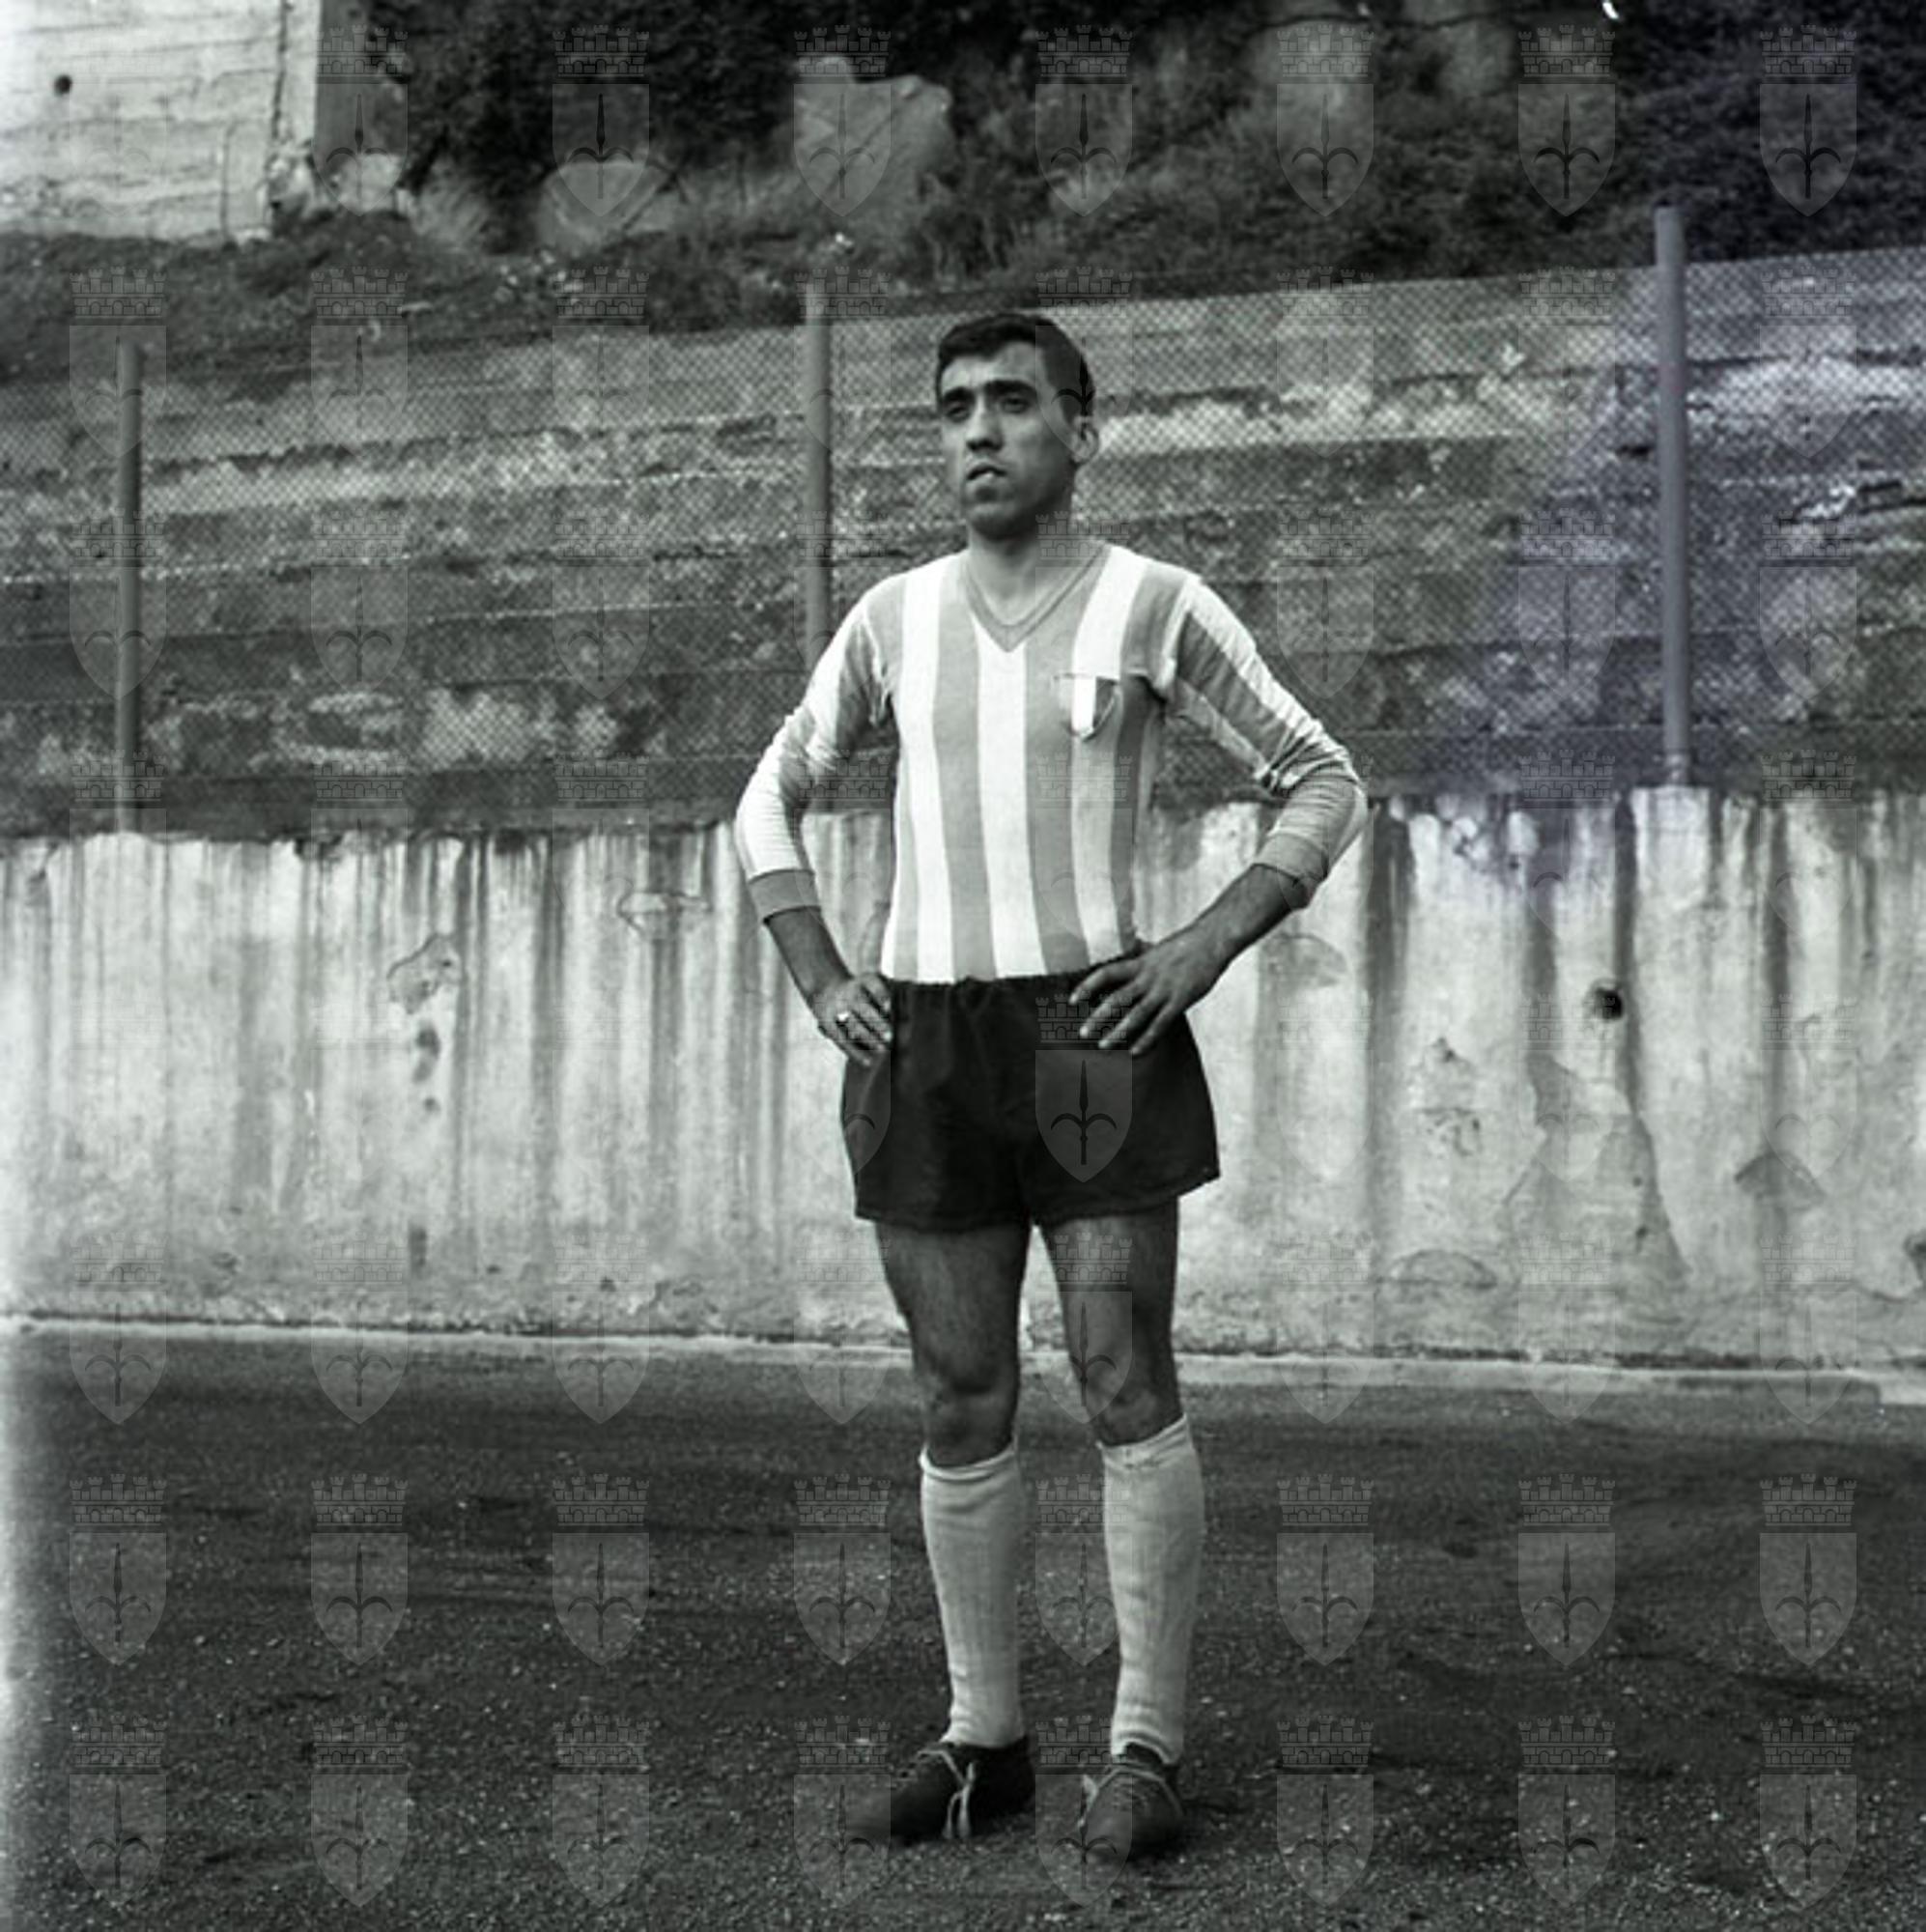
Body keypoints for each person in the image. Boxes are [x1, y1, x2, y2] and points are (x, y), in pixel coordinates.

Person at [732, 309, 1368, 1861]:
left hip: (1093, 1032)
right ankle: (984, 1743)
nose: (977, 430)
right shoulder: (890, 619)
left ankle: (1144, 1748)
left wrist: (1202, 945)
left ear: (1079, 433)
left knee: (1119, 1373)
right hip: (926, 1046)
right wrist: (820, 972)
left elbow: (1322, 777)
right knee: (959, 1390)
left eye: (1012, 402)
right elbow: (765, 797)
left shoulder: (1154, 602)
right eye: (954, 406)